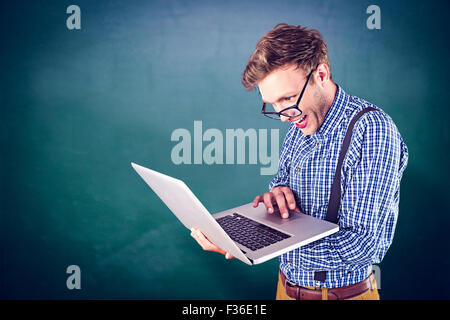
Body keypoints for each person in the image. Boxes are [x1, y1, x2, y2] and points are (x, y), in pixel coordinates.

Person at [190, 23, 409, 300]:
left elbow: (364, 246)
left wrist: (258, 242)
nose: (283, 116)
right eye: (274, 104)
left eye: (288, 98)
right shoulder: (300, 122)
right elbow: (283, 179)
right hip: (285, 289)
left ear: (321, 74)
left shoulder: (373, 130)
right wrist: (278, 194)